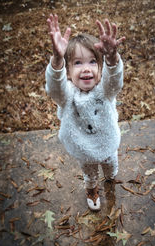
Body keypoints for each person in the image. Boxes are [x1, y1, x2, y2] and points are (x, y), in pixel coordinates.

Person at [45, 14, 125, 211]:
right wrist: (57, 61)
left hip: (107, 144)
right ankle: (91, 189)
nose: (86, 68)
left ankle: (110, 178)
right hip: (84, 150)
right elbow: (55, 89)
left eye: (92, 62)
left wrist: (112, 58)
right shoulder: (67, 95)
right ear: (69, 71)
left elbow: (114, 81)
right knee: (90, 174)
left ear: (100, 67)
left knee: (110, 167)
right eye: (78, 63)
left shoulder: (105, 90)